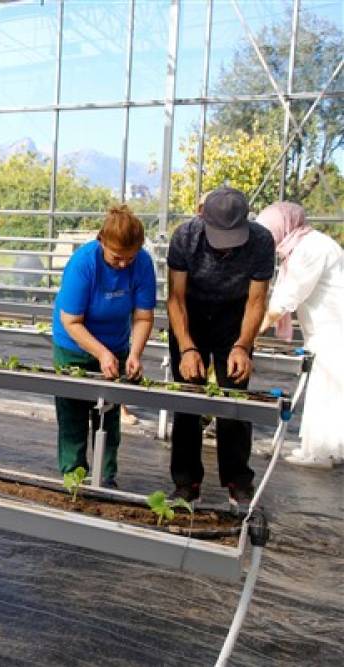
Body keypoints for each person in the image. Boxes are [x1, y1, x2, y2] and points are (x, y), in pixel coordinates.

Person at [166, 187, 274, 505]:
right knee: (189, 397)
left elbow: (256, 301)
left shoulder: (261, 241)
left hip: (233, 319)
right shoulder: (185, 237)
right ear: (202, 216)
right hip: (192, 315)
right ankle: (186, 482)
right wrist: (187, 347)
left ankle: (238, 480)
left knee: (235, 398)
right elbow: (175, 298)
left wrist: (243, 344)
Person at [52, 204, 156, 488]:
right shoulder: (83, 263)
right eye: (116, 258)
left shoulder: (143, 264)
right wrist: (100, 352)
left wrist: (135, 353)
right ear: (102, 242)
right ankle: (74, 474)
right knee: (73, 414)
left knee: (108, 415)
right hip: (74, 344)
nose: (123, 264)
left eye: (129, 258)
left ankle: (106, 476)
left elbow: (144, 315)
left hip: (116, 344)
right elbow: (71, 320)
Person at [257, 202, 343, 468]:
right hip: (323, 330)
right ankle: (323, 450)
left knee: (329, 389)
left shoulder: (309, 249)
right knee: (326, 389)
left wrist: (249, 335)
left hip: (333, 329)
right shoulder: (301, 247)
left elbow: (285, 299)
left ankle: (321, 452)